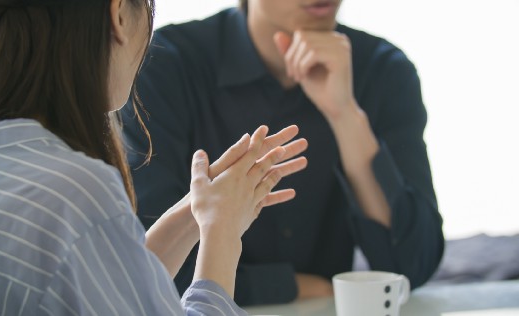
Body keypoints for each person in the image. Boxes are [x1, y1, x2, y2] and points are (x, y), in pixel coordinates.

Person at [0, 0, 307, 314]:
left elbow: (115, 287)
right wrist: (223, 232)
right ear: (120, 14)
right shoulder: (74, 189)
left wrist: (195, 212)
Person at [121, 0, 445, 306]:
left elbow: (412, 264)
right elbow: (148, 264)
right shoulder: (164, 64)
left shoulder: (385, 70)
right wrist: (291, 286)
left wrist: (345, 114)